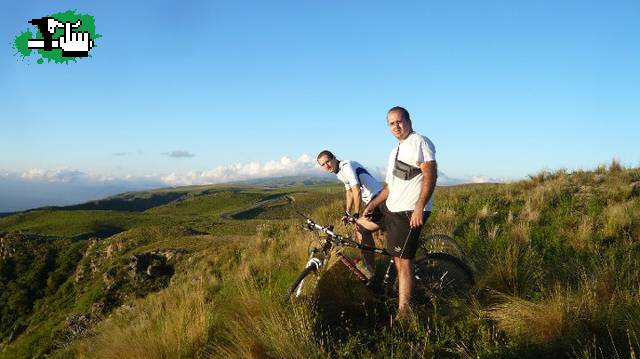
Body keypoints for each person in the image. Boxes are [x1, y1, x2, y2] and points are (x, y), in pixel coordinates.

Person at [362, 106, 437, 318]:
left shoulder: (420, 142)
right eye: (391, 123)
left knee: (404, 263)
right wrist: (373, 205)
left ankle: (404, 313)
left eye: (399, 121)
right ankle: (373, 275)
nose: (396, 126)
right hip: (391, 207)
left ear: (409, 120)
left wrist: (419, 207)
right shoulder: (394, 151)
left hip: (408, 211)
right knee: (361, 226)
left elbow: (430, 175)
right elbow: (389, 187)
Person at [316, 150, 383, 279]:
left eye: (328, 161)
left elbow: (356, 190)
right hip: (374, 200)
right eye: (323, 165)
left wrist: (356, 214)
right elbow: (349, 193)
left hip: (378, 199)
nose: (327, 166)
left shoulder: (346, 166)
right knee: (362, 230)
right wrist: (347, 212)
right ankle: (370, 267)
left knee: (361, 229)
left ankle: (370, 270)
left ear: (334, 158)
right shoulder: (340, 172)